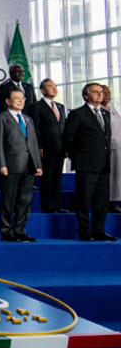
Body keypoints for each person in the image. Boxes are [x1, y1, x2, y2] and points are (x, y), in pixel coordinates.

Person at [63, 82, 115, 241]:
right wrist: (78, 157)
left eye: (101, 91)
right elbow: (68, 139)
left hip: (104, 165)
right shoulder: (78, 114)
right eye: (95, 92)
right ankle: (85, 232)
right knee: (84, 201)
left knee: (102, 202)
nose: (100, 94)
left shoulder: (106, 114)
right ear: (86, 95)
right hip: (86, 165)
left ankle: (99, 230)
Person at [0, 89, 42, 242]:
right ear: (8, 101)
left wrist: (38, 164)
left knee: (25, 200)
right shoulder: (1, 118)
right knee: (8, 199)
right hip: (11, 165)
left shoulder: (28, 119)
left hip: (29, 166)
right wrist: (2, 164)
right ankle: (6, 231)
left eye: (23, 98)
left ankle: (20, 230)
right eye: (16, 99)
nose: (21, 101)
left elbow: (33, 143)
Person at [30, 78, 68, 214]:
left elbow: (64, 128)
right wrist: (39, 146)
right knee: (47, 177)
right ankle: (47, 206)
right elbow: (35, 128)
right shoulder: (36, 107)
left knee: (57, 177)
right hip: (45, 148)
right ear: (42, 90)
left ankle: (56, 205)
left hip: (60, 148)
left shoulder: (60, 106)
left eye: (55, 86)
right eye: (50, 86)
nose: (54, 88)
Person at [103, 87, 121, 213]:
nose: (107, 95)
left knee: (116, 177)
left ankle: (113, 202)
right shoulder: (95, 111)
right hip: (103, 149)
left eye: (109, 93)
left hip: (117, 148)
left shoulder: (113, 108)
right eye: (104, 93)